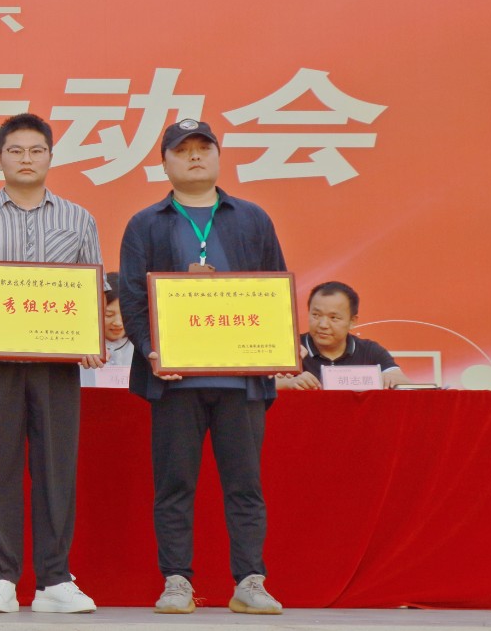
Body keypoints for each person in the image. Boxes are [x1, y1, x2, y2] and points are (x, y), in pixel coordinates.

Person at [119, 119, 286, 616]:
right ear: (164, 163)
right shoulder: (146, 223)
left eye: (203, 148)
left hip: (241, 378)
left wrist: (271, 350)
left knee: (245, 485)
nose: (194, 157)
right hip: (174, 380)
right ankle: (176, 581)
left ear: (217, 156)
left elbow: (273, 288)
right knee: (175, 485)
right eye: (182, 150)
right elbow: (133, 298)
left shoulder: (252, 218)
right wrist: (151, 349)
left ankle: (250, 581)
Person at [0, 112, 104, 615]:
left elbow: (93, 290)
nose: (26, 159)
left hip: (58, 365)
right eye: (15, 151)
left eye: (36, 150)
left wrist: (89, 339)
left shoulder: (79, 219)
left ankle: (55, 579)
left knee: (57, 468)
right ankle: (3, 578)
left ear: (51, 156)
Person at [277, 281, 409, 389]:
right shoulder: (293, 349)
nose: (323, 324)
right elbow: (268, 384)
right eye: (316, 315)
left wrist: (386, 378)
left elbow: (403, 382)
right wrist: (289, 383)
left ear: (352, 321)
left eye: (333, 318)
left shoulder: (370, 351)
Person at [103, 286, 134, 367]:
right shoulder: (84, 349)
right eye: (109, 314)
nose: (118, 323)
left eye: (124, 314)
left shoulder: (140, 348)